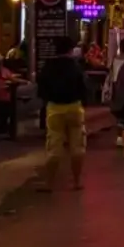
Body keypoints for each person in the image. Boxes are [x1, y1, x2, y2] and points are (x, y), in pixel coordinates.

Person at [36, 36, 87, 192]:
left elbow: (41, 89)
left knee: (53, 147)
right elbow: (84, 89)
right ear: (71, 50)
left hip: (54, 109)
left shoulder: (48, 67)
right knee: (77, 146)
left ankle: (49, 183)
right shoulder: (76, 67)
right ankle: (77, 181)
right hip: (74, 108)